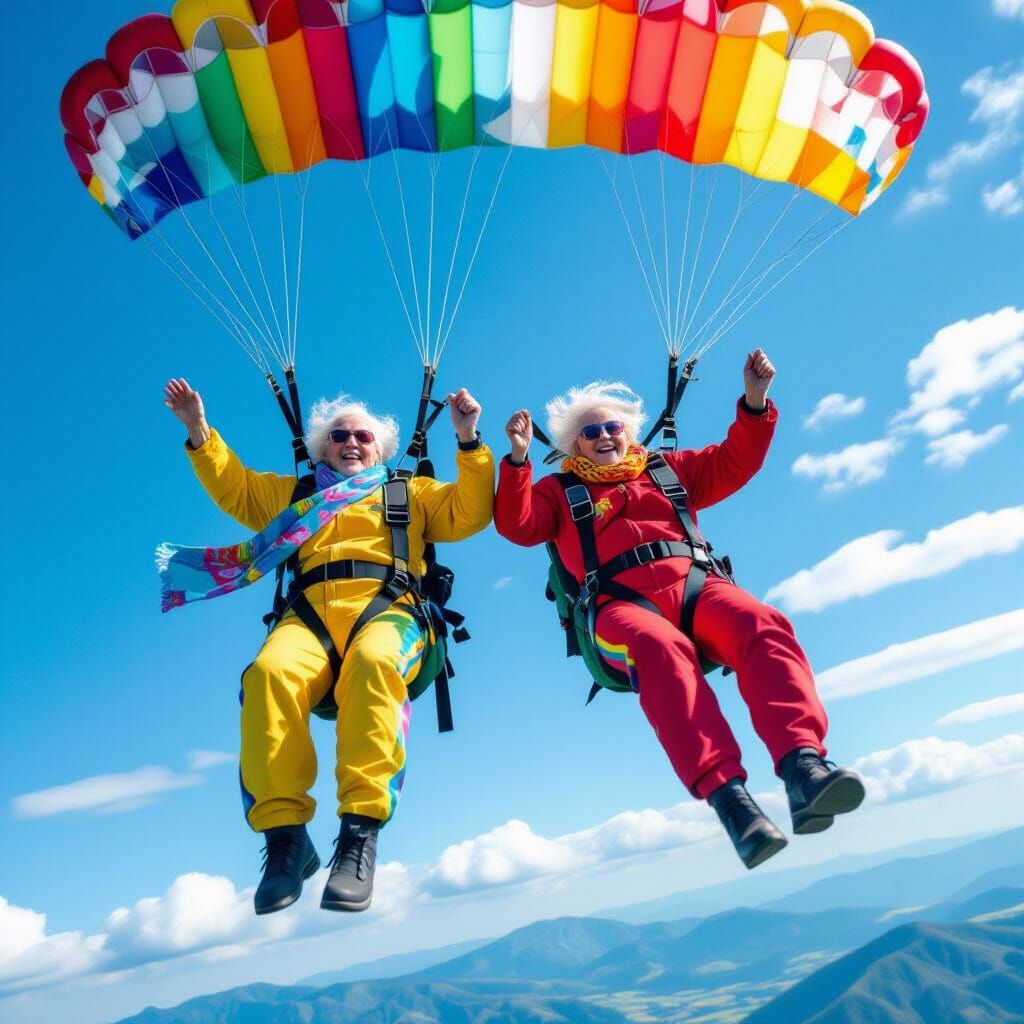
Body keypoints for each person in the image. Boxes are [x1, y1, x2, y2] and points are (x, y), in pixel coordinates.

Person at [494, 351, 864, 870]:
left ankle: (804, 766)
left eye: (612, 426)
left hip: (695, 589)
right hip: (620, 608)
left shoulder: (669, 470)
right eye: (590, 431)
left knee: (763, 623)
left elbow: (736, 461)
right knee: (659, 649)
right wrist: (515, 463)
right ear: (571, 444)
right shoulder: (557, 492)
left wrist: (754, 404)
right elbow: (518, 525)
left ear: (628, 432)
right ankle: (732, 803)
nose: (604, 436)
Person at [162, 378, 494, 913]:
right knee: (267, 675)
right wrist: (200, 432)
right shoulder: (297, 497)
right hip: (309, 616)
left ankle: (359, 834)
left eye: (363, 436)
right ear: (324, 447)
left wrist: (469, 441)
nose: (351, 443)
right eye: (339, 436)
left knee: (373, 660)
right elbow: (237, 489)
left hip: (391, 612)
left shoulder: (408, 491)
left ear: (381, 448)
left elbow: (470, 512)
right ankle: (286, 840)